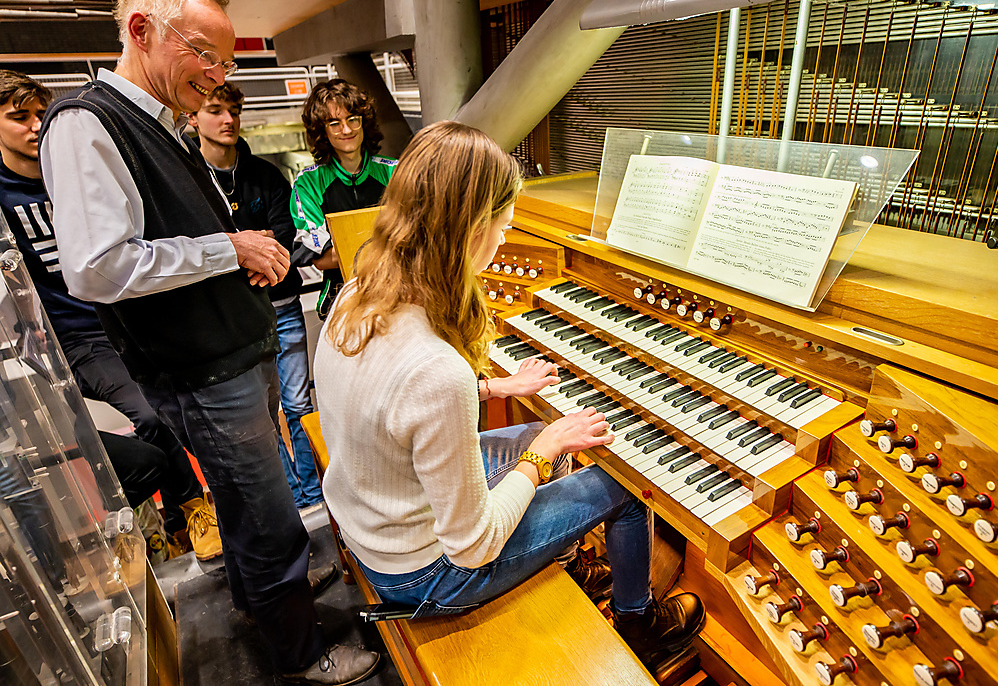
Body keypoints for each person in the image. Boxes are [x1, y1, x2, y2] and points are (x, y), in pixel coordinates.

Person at [38, 0, 377, 683]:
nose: (217, 76)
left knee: (248, 509)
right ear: (140, 30)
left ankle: (264, 598)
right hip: (203, 371)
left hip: (227, 358)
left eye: (225, 61)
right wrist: (232, 250)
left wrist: (240, 254)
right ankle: (301, 654)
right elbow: (98, 267)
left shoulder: (158, 119)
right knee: (271, 515)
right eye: (204, 55)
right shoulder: (85, 124)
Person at [315, 120, 706, 666]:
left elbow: (391, 400)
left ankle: (566, 561)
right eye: (503, 225)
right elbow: (472, 545)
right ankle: (638, 618)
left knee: (535, 433)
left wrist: (495, 386)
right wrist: (541, 454)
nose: (503, 240)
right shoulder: (435, 369)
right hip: (425, 573)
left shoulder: (361, 289)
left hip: (371, 515)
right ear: (471, 228)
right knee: (623, 482)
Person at [0, 69, 222, 561]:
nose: (36, 125)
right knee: (123, 428)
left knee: (161, 410)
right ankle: (172, 513)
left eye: (40, 113)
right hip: (61, 341)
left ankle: (181, 512)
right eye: (19, 117)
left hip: (118, 320)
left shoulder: (70, 169)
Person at [189, 82, 323, 508]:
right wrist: (244, 247)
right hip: (237, 318)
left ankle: (314, 490)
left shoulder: (265, 174)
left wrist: (239, 247)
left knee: (300, 404)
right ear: (193, 117)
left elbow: (285, 237)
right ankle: (290, 497)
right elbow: (195, 245)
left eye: (233, 111)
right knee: (263, 414)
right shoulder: (190, 179)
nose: (228, 120)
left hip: (282, 307)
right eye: (214, 110)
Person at [291, 79, 396, 319]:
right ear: (323, 131)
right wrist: (389, 244)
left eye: (352, 120)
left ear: (363, 122)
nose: (346, 130)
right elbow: (321, 259)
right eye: (335, 123)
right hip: (341, 301)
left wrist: (348, 249)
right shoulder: (308, 183)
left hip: (398, 293)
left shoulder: (396, 172)